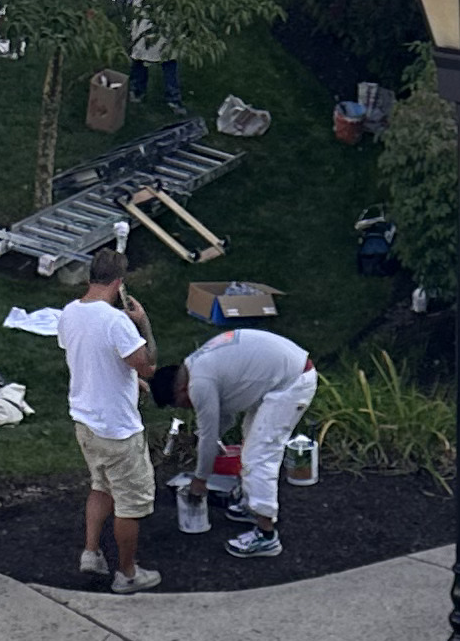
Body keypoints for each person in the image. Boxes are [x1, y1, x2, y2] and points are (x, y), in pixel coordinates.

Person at [158, 322, 318, 561]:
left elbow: (210, 435)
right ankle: (251, 505)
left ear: (181, 390)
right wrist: (202, 440)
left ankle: (266, 535)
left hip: (292, 382)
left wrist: (200, 480)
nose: (187, 408)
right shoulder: (195, 365)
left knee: (259, 455)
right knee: (251, 440)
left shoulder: (199, 384)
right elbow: (226, 419)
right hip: (282, 373)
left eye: (181, 404)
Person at [59, 251, 162, 593]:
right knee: (130, 504)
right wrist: (142, 322)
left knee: (100, 486)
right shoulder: (117, 322)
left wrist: (133, 383)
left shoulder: (70, 313)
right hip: (118, 431)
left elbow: (94, 357)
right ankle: (128, 574)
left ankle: (91, 552)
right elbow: (147, 364)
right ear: (119, 284)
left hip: (86, 425)